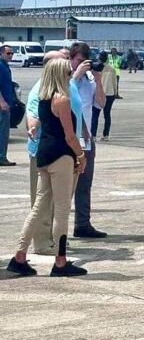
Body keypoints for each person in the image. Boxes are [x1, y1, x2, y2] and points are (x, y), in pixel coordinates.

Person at [6, 58, 88, 277]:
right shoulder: (62, 99)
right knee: (61, 209)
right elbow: (70, 136)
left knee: (39, 206)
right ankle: (60, 261)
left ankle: (19, 255)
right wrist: (81, 156)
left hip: (44, 154)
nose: (70, 73)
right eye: (67, 71)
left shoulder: (43, 98)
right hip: (61, 156)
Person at [25, 50, 75, 255]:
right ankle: (44, 244)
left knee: (54, 202)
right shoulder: (43, 89)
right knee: (46, 204)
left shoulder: (65, 86)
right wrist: (32, 127)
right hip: (51, 151)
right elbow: (33, 113)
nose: (69, 66)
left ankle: (55, 241)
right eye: (65, 62)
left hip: (61, 150)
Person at [69, 42, 108, 239]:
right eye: (78, 61)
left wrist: (99, 80)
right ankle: (55, 229)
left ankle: (82, 224)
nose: (82, 65)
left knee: (85, 184)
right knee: (63, 186)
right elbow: (63, 95)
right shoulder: (65, 76)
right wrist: (76, 75)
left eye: (85, 62)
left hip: (86, 140)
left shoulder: (91, 80)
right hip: (67, 138)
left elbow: (100, 103)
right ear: (71, 59)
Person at [91, 52, 117, 142]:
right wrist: (115, 93)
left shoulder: (96, 68)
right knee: (107, 115)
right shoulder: (111, 69)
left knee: (95, 114)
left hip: (99, 93)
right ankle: (106, 135)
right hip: (110, 93)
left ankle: (93, 135)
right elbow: (115, 82)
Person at [0, 44, 17, 166]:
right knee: (3, 132)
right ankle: (1, 157)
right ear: (1, 53)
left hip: (7, 103)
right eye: (8, 53)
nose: (10, 55)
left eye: (12, 53)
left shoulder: (5, 67)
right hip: (2, 106)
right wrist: (2, 102)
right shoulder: (1, 66)